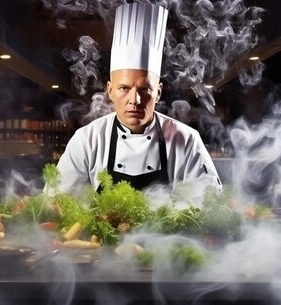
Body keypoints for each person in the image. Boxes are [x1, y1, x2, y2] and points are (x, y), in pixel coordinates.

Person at [54, 2, 222, 195]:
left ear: (158, 92)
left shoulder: (187, 140)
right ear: (110, 91)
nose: (135, 100)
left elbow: (210, 205)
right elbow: (57, 204)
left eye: (145, 89)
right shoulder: (86, 140)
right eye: (124, 88)